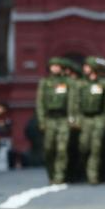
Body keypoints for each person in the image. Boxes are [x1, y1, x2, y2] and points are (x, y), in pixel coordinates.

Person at [36, 57, 73, 185]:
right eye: (53, 66)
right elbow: (40, 103)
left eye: (57, 66)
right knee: (48, 148)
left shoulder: (67, 82)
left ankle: (59, 175)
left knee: (62, 149)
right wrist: (41, 120)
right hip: (49, 119)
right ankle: (51, 174)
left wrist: (72, 118)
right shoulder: (45, 82)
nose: (55, 68)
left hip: (63, 119)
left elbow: (72, 101)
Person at [76, 57, 105, 185]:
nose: (84, 68)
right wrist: (76, 119)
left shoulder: (104, 84)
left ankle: (93, 175)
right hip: (85, 118)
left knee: (96, 147)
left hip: (98, 118)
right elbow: (76, 102)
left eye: (87, 66)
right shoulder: (81, 84)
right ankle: (83, 168)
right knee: (84, 146)